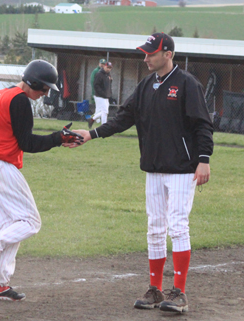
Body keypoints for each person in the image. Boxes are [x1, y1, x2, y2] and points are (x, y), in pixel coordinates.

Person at [66, 33, 213, 313]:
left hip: (183, 169)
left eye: (151, 53)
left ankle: (179, 293)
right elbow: (123, 118)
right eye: (145, 53)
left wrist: (203, 159)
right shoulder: (146, 85)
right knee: (155, 228)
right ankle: (155, 290)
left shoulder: (187, 84)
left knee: (178, 226)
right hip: (154, 169)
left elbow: (203, 124)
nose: (145, 57)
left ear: (167, 54)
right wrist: (92, 134)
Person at [0, 59, 83, 302]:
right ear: (33, 83)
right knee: (31, 221)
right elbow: (27, 144)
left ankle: (0, 284)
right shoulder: (20, 99)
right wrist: (58, 138)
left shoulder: (3, 93)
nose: (44, 93)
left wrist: (58, 139)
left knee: (10, 226)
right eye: (44, 89)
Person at [88, 61, 113, 128]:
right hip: (99, 96)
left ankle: (92, 119)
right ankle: (103, 126)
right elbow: (96, 85)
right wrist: (102, 93)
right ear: (104, 66)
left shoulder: (108, 74)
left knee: (105, 112)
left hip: (106, 96)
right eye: (107, 67)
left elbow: (108, 85)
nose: (108, 69)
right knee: (105, 111)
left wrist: (109, 93)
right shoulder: (99, 74)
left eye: (110, 68)